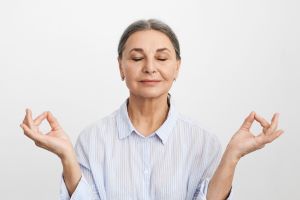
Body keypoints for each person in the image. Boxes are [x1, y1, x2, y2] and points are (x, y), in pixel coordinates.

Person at [20, 19, 283, 200]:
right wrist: (67, 156)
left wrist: (232, 156)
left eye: (162, 57)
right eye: (136, 58)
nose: (149, 67)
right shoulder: (92, 139)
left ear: (177, 67)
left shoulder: (203, 142)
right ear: (121, 67)